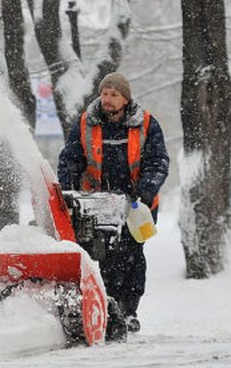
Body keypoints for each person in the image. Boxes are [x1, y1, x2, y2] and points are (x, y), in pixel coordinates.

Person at [57, 72, 169, 333]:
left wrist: (144, 192)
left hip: (136, 206)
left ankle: (129, 310)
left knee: (132, 256)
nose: (107, 99)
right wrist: (70, 187)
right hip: (98, 203)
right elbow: (70, 158)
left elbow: (158, 162)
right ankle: (109, 306)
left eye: (114, 95)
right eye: (104, 93)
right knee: (106, 255)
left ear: (125, 99)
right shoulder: (86, 122)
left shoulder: (146, 124)